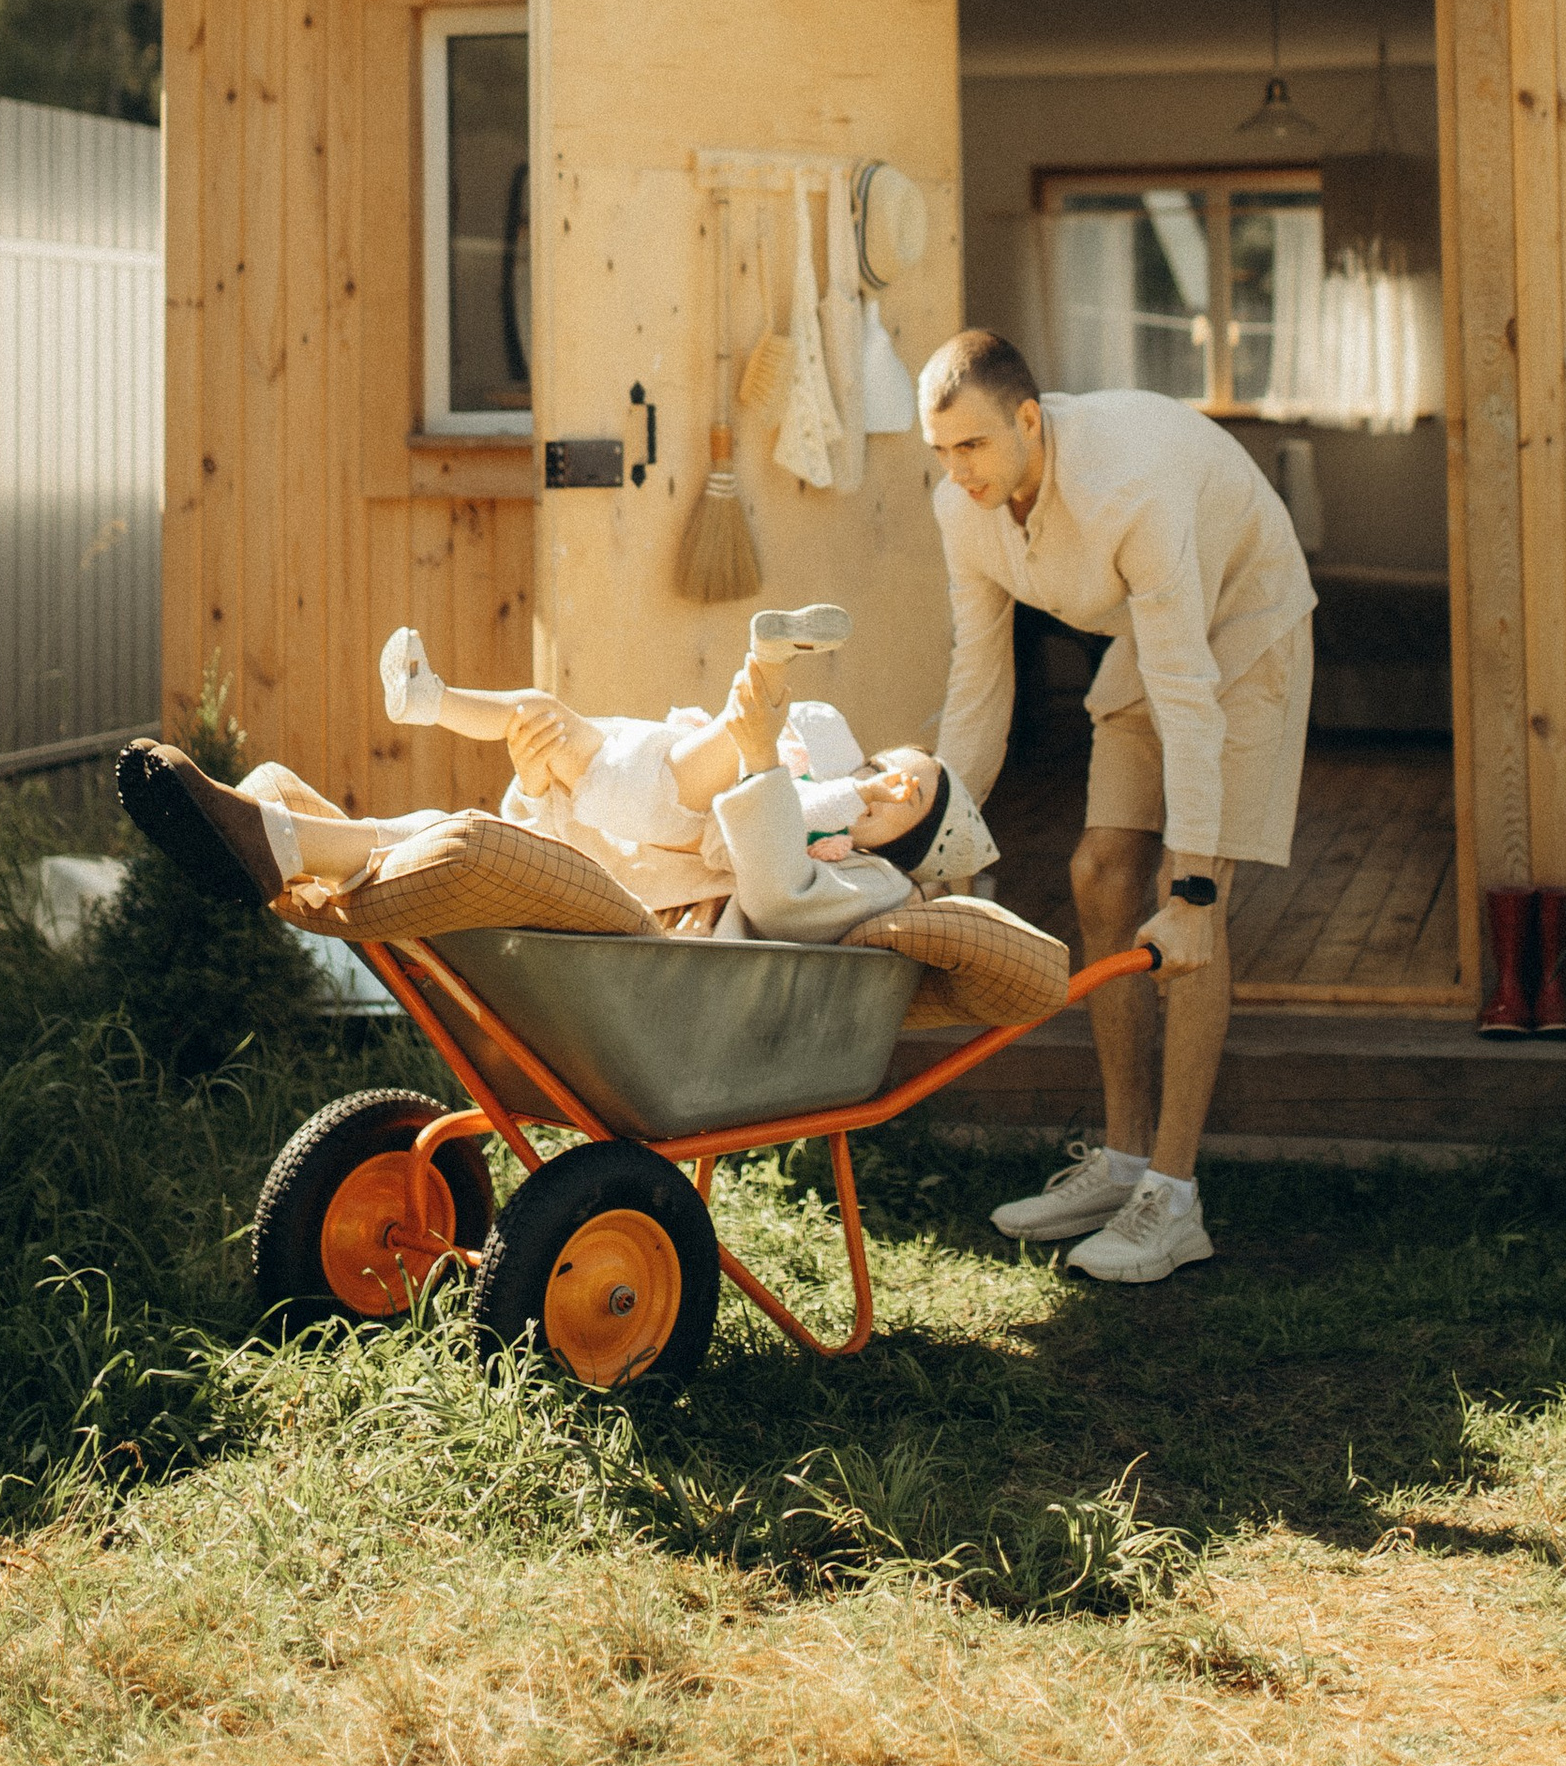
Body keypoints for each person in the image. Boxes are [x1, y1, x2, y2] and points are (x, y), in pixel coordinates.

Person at [919, 328, 1315, 1284]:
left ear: (1028, 417)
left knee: (1189, 921)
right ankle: (1126, 1161)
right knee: (1098, 872)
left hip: (1246, 621)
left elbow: (1188, 693)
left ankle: (1173, 1200)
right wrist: (934, 848)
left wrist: (1194, 889)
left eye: (973, 445)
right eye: (940, 452)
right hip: (1159, 625)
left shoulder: (1127, 487)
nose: (958, 471)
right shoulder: (963, 509)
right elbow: (979, 688)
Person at [119, 606, 984, 942]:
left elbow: (780, 901)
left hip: (666, 928)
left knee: (466, 843)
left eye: (896, 780)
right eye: (877, 767)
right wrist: (539, 784)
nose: (878, 782)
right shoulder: (813, 787)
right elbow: (581, 832)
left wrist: (765, 761)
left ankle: (275, 834)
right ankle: (277, 833)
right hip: (625, 844)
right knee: (463, 811)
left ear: (918, 822)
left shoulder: (869, 884)